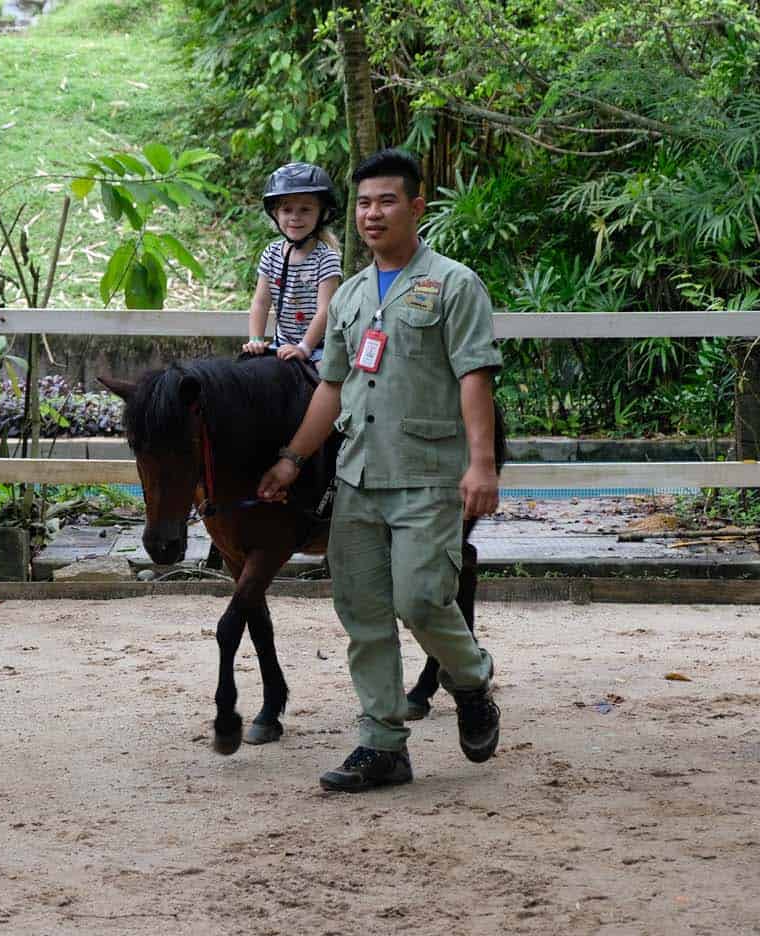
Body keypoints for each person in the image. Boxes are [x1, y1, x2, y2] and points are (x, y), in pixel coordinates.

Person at [257, 148, 503, 792]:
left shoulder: (454, 284)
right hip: (357, 478)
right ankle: (383, 742)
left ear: (417, 207)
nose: (373, 213)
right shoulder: (353, 294)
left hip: (426, 474)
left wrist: (482, 466)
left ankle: (471, 678)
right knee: (363, 613)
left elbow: (475, 375)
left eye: (387, 200)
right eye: (364, 203)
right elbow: (331, 386)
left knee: (420, 599)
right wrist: (292, 460)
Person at [242, 163, 343, 364]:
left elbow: (325, 310)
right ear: (276, 214)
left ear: (322, 213)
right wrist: (256, 339)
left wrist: (304, 348)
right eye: (287, 210)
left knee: (327, 381)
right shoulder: (271, 254)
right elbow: (261, 302)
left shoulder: (326, 258)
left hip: (318, 347)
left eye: (305, 209)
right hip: (281, 344)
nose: (295, 217)